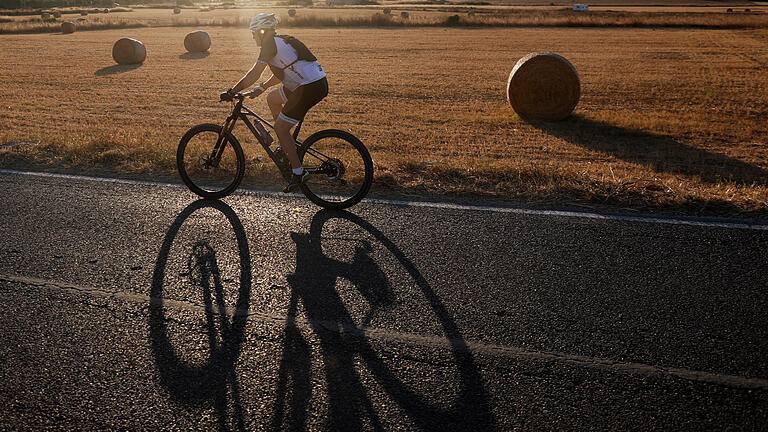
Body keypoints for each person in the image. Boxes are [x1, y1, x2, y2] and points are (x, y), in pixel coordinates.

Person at [226, 13, 328, 192]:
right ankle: (285, 146)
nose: (252, 36)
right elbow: (281, 72)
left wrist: (232, 91)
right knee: (272, 99)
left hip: (309, 87)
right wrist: (263, 87)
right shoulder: (278, 42)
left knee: (281, 128)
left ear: (262, 31)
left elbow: (254, 73)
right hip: (307, 84)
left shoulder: (269, 44)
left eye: (254, 32)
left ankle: (298, 173)